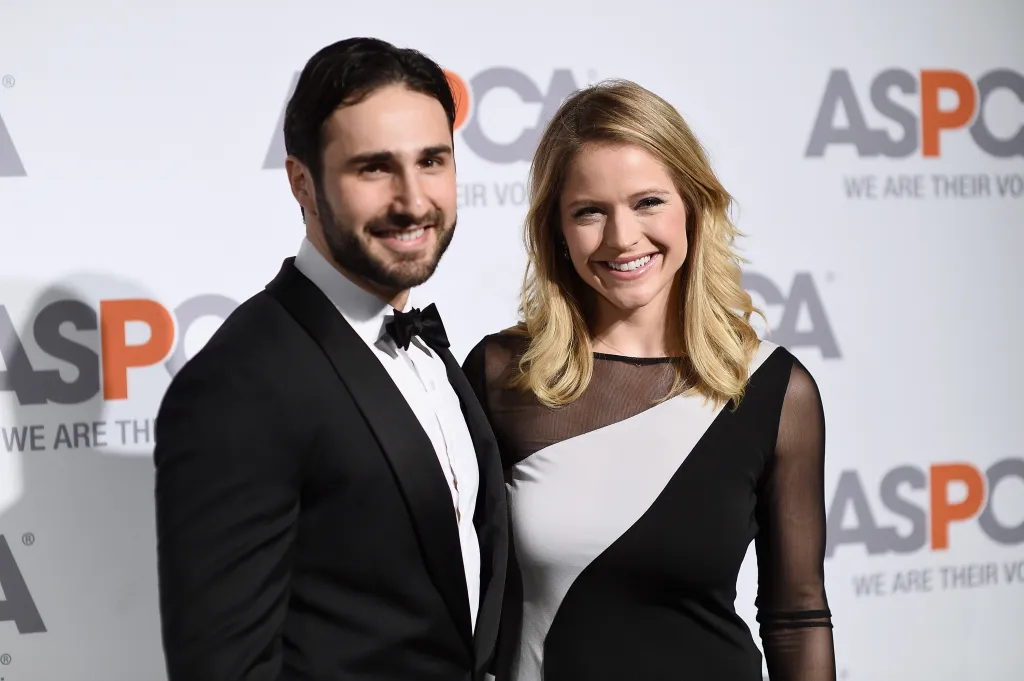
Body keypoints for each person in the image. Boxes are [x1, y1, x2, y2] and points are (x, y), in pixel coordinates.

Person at [153, 37, 508, 681]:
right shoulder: (243, 382)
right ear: (303, 184)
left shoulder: (426, 346)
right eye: (373, 168)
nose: (414, 199)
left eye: (433, 161)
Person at [463, 79, 836, 681]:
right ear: (556, 230)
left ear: (692, 203)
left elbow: (797, 615)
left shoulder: (774, 389)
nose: (622, 238)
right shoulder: (502, 376)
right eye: (589, 211)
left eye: (647, 202)